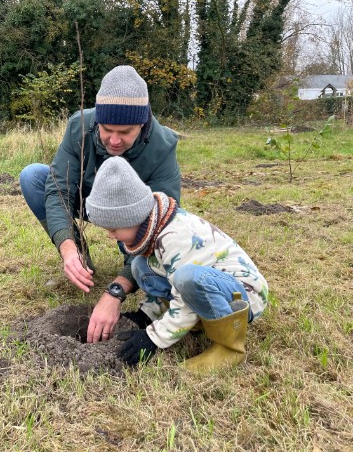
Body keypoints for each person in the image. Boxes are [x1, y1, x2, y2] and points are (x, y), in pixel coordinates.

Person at [19, 65, 181, 341]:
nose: (114, 140)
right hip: (91, 200)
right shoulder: (78, 126)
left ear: (142, 124)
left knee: (147, 252)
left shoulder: (162, 145)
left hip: (135, 216)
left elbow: (163, 220)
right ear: (98, 121)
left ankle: (133, 263)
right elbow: (59, 188)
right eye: (107, 130)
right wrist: (67, 248)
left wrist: (117, 289)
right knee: (33, 176)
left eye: (125, 132)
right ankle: (82, 262)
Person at [84, 156, 269, 372]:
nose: (109, 235)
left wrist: (153, 338)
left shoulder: (175, 237)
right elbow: (164, 274)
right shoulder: (155, 228)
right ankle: (164, 316)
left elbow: (184, 292)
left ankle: (229, 347)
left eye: (113, 229)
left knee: (187, 277)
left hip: (243, 296)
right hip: (208, 285)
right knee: (140, 267)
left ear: (132, 217)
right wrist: (146, 315)